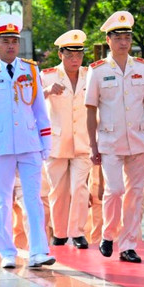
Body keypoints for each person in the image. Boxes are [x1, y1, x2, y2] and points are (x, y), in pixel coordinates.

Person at [0, 13, 56, 269]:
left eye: (14, 41)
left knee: (34, 199)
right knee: (3, 201)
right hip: (0, 145)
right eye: (5, 41)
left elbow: (40, 110)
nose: (10, 46)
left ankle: (39, 251)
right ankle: (7, 251)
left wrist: (46, 141)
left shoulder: (30, 69)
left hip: (29, 143)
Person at [85, 11, 144, 263]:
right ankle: (108, 234)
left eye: (127, 37)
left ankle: (128, 245)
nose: (123, 42)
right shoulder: (96, 71)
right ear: (108, 40)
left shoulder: (142, 67)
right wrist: (92, 145)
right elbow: (90, 109)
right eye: (118, 37)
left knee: (135, 195)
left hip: (139, 140)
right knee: (115, 190)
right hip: (109, 141)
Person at [42, 29, 93, 248]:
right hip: (57, 142)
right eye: (70, 54)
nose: (75, 59)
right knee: (58, 191)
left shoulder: (90, 75)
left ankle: (77, 232)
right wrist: (46, 90)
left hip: (83, 141)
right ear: (61, 54)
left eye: (79, 54)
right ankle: (60, 232)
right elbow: (31, 100)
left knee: (79, 187)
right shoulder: (48, 75)